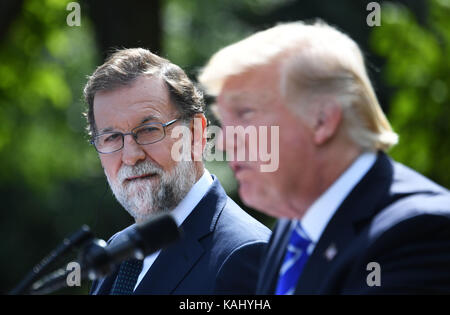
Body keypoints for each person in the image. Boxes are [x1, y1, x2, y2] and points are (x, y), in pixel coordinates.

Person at [198, 20, 450, 294]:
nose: (223, 141)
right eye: (225, 119)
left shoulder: (417, 233)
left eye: (244, 113)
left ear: (323, 120)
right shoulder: (294, 227)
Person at [83, 48, 270, 295]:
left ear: (196, 134)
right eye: (112, 137)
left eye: (149, 130)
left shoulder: (245, 253)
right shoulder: (117, 251)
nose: (130, 156)